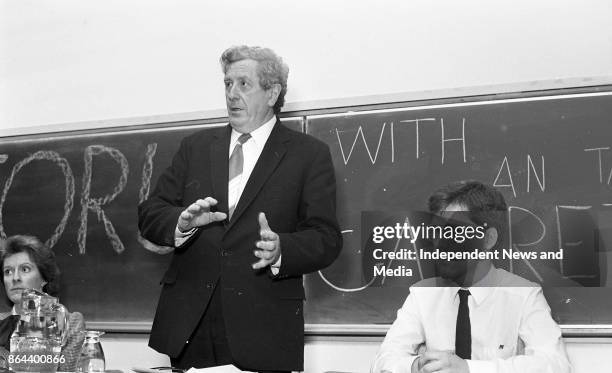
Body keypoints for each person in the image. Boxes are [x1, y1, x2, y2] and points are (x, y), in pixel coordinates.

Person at [138, 45, 342, 372]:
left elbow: (327, 237)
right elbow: (150, 212)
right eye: (228, 84)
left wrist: (283, 249)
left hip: (263, 328)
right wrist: (181, 222)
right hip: (192, 324)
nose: (232, 94)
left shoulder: (308, 154)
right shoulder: (195, 147)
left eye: (243, 84)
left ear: (272, 92)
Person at [371, 181, 572, 373]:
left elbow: (555, 365)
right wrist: (415, 366)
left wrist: (469, 369)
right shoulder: (422, 294)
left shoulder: (524, 295)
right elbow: (382, 361)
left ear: (488, 239)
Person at [0, 235, 85, 371]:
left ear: (44, 278)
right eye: (8, 271)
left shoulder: (70, 321)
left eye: (25, 269)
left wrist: (42, 313)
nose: (15, 278)